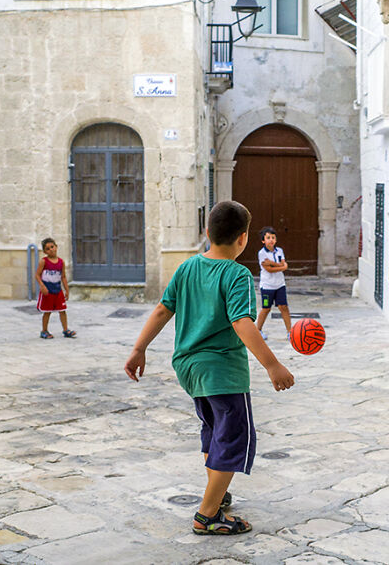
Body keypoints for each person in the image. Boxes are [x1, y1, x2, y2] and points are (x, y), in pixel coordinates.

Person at [124, 201, 294, 535]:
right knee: (233, 438)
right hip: (222, 371)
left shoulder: (187, 268)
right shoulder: (237, 274)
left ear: (207, 233)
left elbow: (162, 309)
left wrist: (138, 348)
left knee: (213, 432)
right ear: (244, 239)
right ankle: (208, 515)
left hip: (189, 367)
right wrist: (273, 365)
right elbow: (242, 322)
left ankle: (218, 493)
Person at [34, 238, 76, 339]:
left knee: (62, 310)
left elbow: (63, 277)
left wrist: (66, 290)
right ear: (45, 252)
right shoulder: (43, 262)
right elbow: (37, 275)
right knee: (47, 312)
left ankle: (66, 330)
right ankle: (44, 331)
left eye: (52, 247)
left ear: (56, 247)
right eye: (48, 249)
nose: (51, 250)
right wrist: (42, 286)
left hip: (58, 290)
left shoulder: (61, 262)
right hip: (47, 291)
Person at [255, 226, 291, 340]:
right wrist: (280, 266)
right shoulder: (262, 253)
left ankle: (290, 331)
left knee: (283, 307)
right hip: (267, 286)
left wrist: (272, 263)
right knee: (266, 308)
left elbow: (284, 264)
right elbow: (268, 269)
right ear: (263, 240)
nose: (271, 240)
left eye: (273, 237)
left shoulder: (279, 250)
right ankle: (258, 330)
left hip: (280, 284)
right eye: (268, 237)